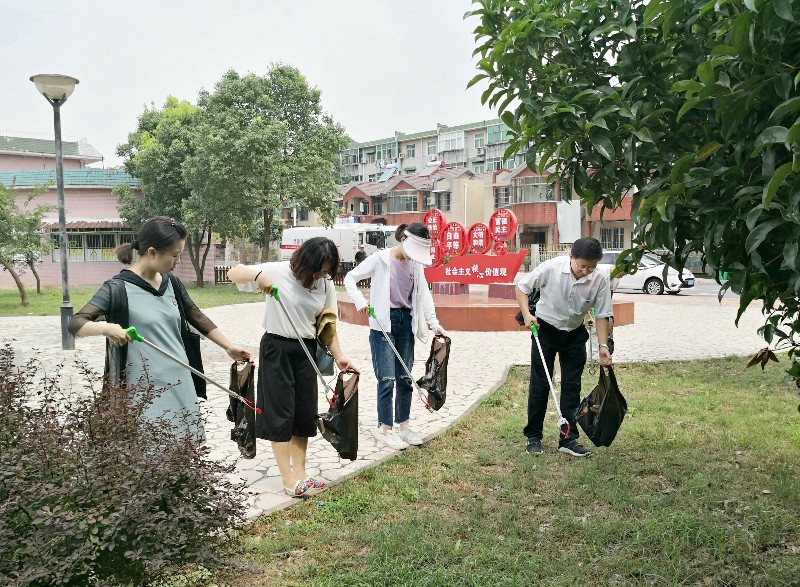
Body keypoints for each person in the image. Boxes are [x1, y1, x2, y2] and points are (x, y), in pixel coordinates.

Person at [69, 217, 251, 441]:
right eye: (174, 255)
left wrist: (229, 347)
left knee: (187, 449)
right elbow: (75, 324)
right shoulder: (117, 289)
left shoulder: (171, 283)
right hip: (142, 389)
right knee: (151, 454)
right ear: (153, 252)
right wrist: (106, 328)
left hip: (180, 381)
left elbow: (196, 316)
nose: (177, 261)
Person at [227, 238, 359, 498]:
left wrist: (340, 356)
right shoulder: (279, 271)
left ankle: (301, 473)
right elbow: (234, 272)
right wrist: (259, 275)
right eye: (318, 270)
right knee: (281, 412)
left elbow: (327, 326)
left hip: (306, 350)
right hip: (277, 348)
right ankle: (287, 478)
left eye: (326, 271)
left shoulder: (325, 284)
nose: (320, 276)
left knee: (304, 413)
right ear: (304, 262)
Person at [344, 222, 448, 450]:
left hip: (405, 324)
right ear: (403, 239)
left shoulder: (416, 265)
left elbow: (424, 294)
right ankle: (387, 429)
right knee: (387, 379)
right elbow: (349, 278)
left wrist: (434, 323)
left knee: (404, 378)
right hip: (383, 324)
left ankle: (404, 426)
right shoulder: (381, 259)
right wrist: (361, 301)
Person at [515, 237, 613, 458]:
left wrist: (603, 346)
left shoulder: (599, 278)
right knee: (541, 384)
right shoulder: (551, 268)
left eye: (591, 267)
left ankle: (568, 438)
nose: (585, 271)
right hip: (545, 330)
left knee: (572, 386)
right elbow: (521, 288)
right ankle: (533, 437)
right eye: (581, 266)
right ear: (571, 258)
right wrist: (528, 315)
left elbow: (603, 313)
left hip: (575, 333)